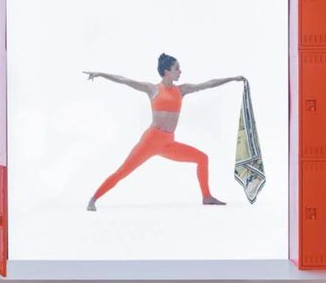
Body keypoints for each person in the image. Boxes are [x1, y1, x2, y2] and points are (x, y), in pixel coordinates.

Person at [84, 53, 244, 211]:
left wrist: (232, 79)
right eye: (177, 68)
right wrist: (100, 74)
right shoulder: (152, 89)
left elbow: (208, 84)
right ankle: (93, 199)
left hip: (168, 144)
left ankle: (207, 197)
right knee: (123, 171)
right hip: (149, 142)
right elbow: (125, 80)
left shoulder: (182, 90)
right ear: (167, 71)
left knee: (202, 158)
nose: (180, 71)